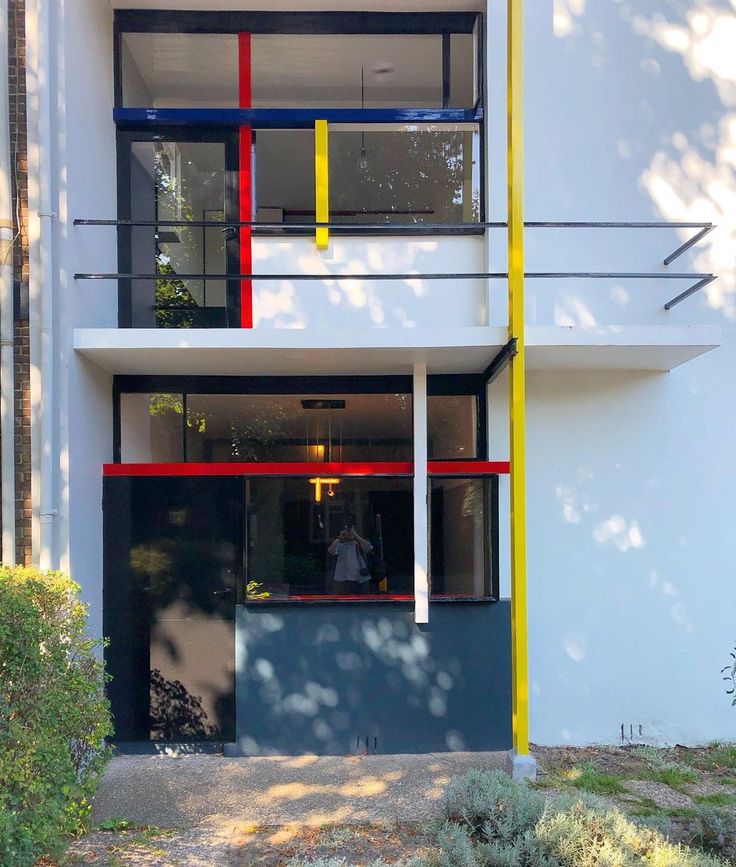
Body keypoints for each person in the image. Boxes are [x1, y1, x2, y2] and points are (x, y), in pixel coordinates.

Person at [328, 526, 373, 594]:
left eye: (351, 531)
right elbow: (331, 551)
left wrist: (356, 535)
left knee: (364, 600)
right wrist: (339, 538)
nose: (349, 533)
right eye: (347, 532)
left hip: (361, 577)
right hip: (344, 579)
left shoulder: (359, 545)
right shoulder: (341, 546)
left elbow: (369, 548)